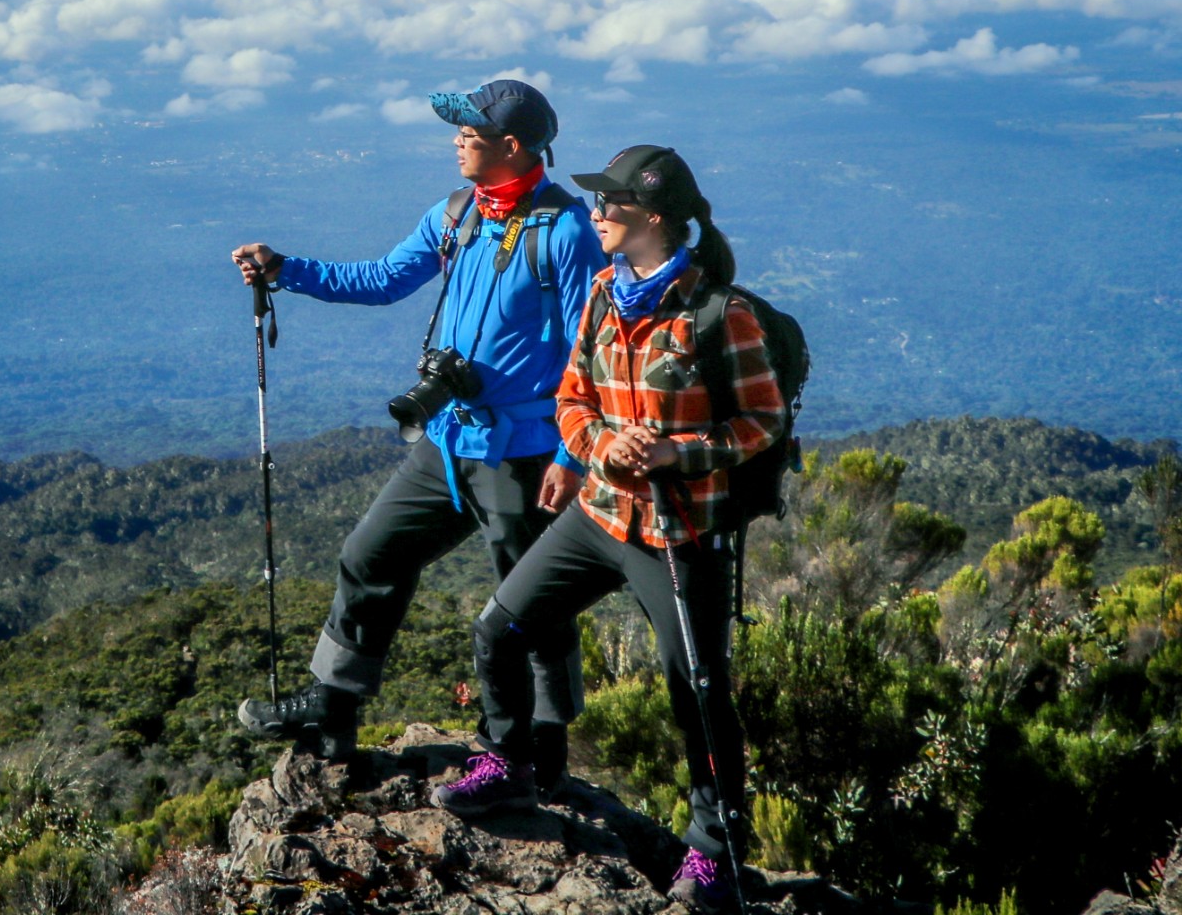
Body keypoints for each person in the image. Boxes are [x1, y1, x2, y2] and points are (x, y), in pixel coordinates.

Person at [430, 144, 785, 912]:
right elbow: (572, 399)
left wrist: (674, 452)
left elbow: (763, 419)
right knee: (500, 627)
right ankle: (511, 760)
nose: (597, 213)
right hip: (598, 516)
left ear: (654, 217)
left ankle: (716, 852)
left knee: (698, 689)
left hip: (678, 533)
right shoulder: (601, 290)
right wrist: (600, 446)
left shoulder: (720, 314)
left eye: (611, 204)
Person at [229, 79, 601, 790]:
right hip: (446, 441)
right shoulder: (457, 213)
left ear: (511, 146)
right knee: (371, 554)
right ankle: (332, 710)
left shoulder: (567, 233)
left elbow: (596, 352)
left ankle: (538, 743)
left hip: (524, 455)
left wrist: (570, 455)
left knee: (530, 606)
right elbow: (381, 278)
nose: (456, 140)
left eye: (469, 131)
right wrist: (287, 271)